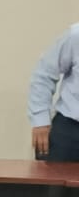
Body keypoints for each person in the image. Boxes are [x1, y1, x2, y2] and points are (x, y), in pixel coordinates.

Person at [29, 22, 79, 162]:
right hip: (71, 132)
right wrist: (40, 120)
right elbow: (44, 74)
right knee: (55, 176)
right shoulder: (75, 35)